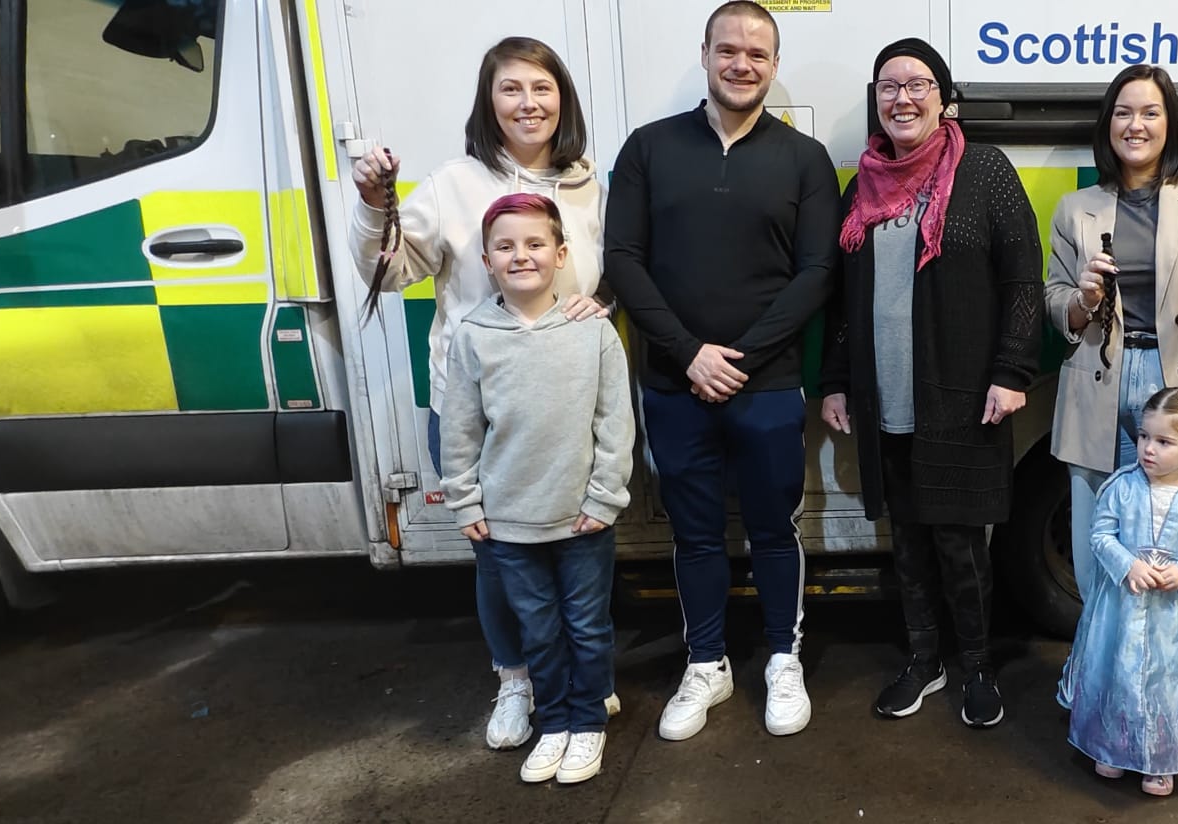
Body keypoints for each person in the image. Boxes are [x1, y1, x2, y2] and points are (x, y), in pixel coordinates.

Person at [349, 37, 614, 750]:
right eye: (511, 89)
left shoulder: (587, 184)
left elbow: (604, 272)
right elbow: (394, 268)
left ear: (563, 99)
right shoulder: (453, 183)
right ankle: (516, 680)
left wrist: (606, 306)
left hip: (564, 405)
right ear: (488, 102)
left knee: (577, 552)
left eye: (542, 88)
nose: (529, 103)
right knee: (501, 557)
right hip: (480, 409)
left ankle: (581, 679)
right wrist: (376, 207)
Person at [603, 1, 839, 741]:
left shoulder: (803, 159)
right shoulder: (647, 148)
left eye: (758, 54)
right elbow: (624, 262)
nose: (742, 64)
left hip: (766, 385)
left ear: (773, 65)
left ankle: (781, 656)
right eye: (729, 49)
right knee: (695, 535)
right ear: (703, 54)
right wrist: (688, 353)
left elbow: (817, 271)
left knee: (775, 528)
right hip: (675, 384)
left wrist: (740, 357)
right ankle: (706, 663)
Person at [819, 38, 1042, 728]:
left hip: (960, 398)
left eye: (918, 84)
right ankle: (924, 660)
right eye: (889, 85)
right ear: (876, 99)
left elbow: (1023, 277)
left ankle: (975, 666)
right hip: (885, 397)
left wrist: (1010, 370)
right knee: (909, 543)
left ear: (943, 98)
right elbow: (842, 301)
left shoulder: (983, 171)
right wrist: (834, 381)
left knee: (959, 544)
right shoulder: (862, 184)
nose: (903, 97)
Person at [1043, 64, 1178, 641]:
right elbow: (1055, 303)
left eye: (1149, 112)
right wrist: (1083, 298)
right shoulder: (1075, 208)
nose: (1134, 125)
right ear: (1106, 125)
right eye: (1122, 112)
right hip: (1102, 380)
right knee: (1103, 551)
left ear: (1171, 124)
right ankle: (1104, 686)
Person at [440, 193, 634, 785]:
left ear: (560, 253)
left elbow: (615, 422)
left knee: (587, 625)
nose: (520, 256)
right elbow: (461, 428)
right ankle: (553, 723)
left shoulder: (592, 332)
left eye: (534, 244)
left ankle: (589, 721)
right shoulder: (473, 337)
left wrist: (604, 498)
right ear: (487, 260)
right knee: (539, 631)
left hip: (580, 518)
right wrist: (466, 500)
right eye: (505, 247)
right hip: (509, 523)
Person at [1057, 387, 1178, 797]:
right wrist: (1128, 565)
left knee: (1171, 681)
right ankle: (1111, 745)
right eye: (1143, 437)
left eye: (1163, 441)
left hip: (1176, 617)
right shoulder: (1120, 487)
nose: (1148, 449)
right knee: (1119, 669)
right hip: (1123, 606)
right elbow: (1101, 534)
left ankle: (1162, 759)